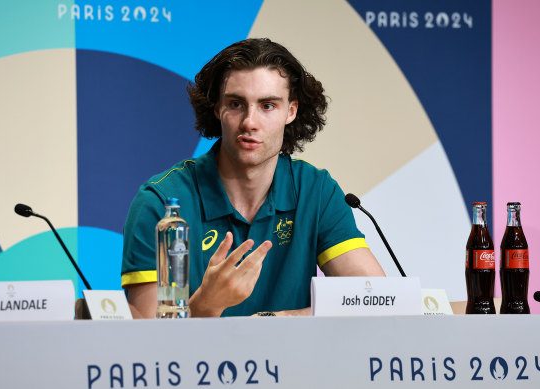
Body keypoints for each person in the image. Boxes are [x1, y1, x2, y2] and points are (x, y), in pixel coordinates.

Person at [121, 38, 385, 318]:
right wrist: (205, 307)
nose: (249, 121)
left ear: (291, 111)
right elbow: (148, 342)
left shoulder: (316, 191)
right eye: (236, 104)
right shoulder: (162, 203)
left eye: (267, 105)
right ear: (217, 108)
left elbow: (374, 300)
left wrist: (278, 321)